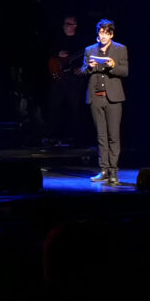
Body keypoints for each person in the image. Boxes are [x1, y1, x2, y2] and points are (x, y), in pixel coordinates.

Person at [81, 19, 129, 184]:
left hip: (113, 98)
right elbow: (82, 71)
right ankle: (104, 170)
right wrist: (89, 66)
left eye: (106, 33)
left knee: (113, 136)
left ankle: (114, 171)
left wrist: (112, 65)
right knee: (101, 136)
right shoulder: (89, 50)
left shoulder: (120, 49)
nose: (103, 36)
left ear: (111, 34)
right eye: (101, 32)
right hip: (96, 98)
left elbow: (125, 71)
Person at [46, 15, 86, 145]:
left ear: (74, 26)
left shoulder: (80, 41)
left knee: (74, 107)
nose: (65, 26)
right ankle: (54, 135)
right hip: (59, 78)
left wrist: (81, 67)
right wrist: (58, 54)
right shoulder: (58, 39)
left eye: (68, 24)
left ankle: (75, 137)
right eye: (64, 23)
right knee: (55, 106)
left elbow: (85, 58)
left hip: (73, 79)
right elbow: (48, 52)